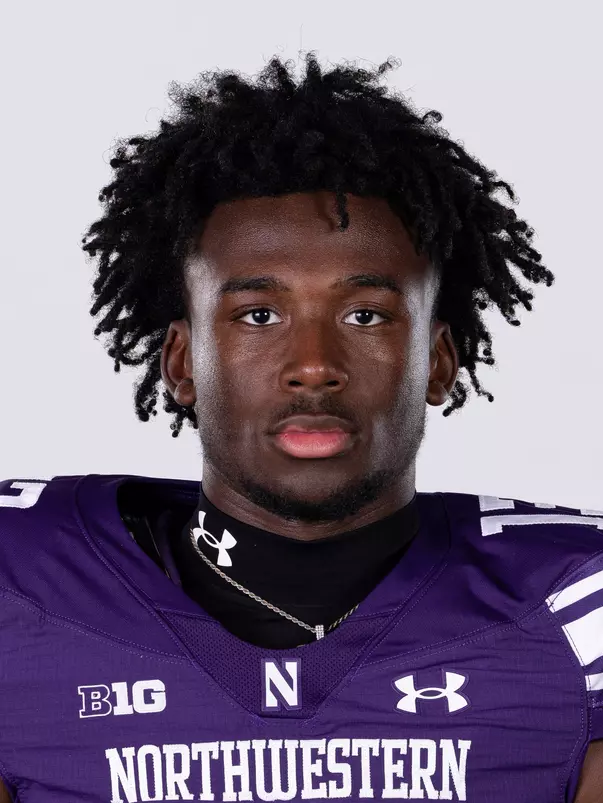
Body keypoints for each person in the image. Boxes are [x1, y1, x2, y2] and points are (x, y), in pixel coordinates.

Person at [0, 54, 601, 803]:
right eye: (258, 315)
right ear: (182, 362)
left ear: (438, 361)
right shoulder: (18, 588)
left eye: (364, 315)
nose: (313, 365)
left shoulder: (578, 609)